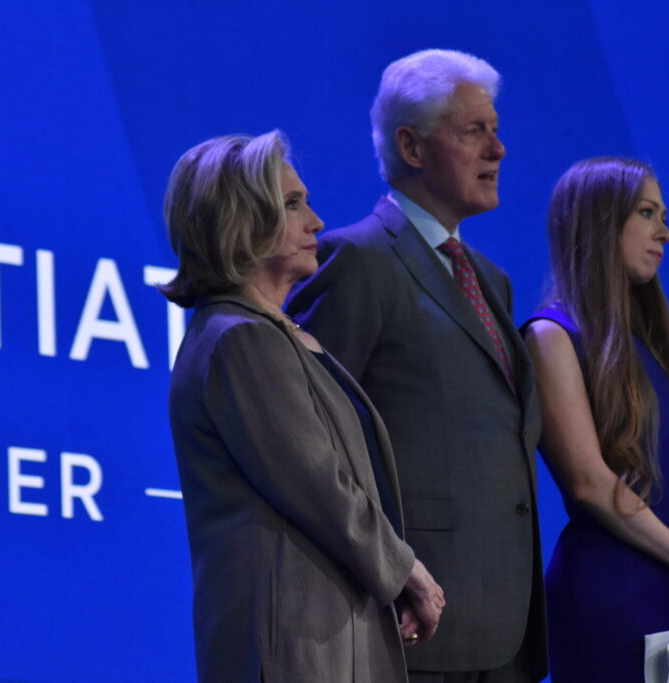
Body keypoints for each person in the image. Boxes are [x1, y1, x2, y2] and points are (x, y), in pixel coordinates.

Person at [287, 50, 547, 682]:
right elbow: (310, 439)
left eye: (496, 129)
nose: (498, 150)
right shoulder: (356, 260)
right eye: (474, 131)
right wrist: (389, 573)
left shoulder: (492, 281)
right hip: (411, 624)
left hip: (506, 629)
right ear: (411, 146)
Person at [161, 131, 445, 683]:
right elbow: (320, 488)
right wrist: (406, 570)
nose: (316, 222)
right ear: (240, 219)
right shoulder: (239, 339)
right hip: (294, 646)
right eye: (292, 204)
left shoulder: (272, 334)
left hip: (333, 636)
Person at [522, 157, 669, 681]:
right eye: (647, 213)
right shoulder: (551, 336)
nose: (665, 233)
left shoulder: (654, 345)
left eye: (664, 216)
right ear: (600, 222)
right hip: (616, 599)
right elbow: (588, 481)